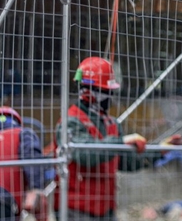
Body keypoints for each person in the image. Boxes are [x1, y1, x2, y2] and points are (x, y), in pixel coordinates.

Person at [54, 57, 150, 221]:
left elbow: (125, 161)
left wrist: (162, 150)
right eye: (106, 92)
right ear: (88, 91)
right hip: (75, 210)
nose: (110, 97)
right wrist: (121, 142)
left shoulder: (111, 123)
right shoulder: (70, 122)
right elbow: (85, 154)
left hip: (106, 209)